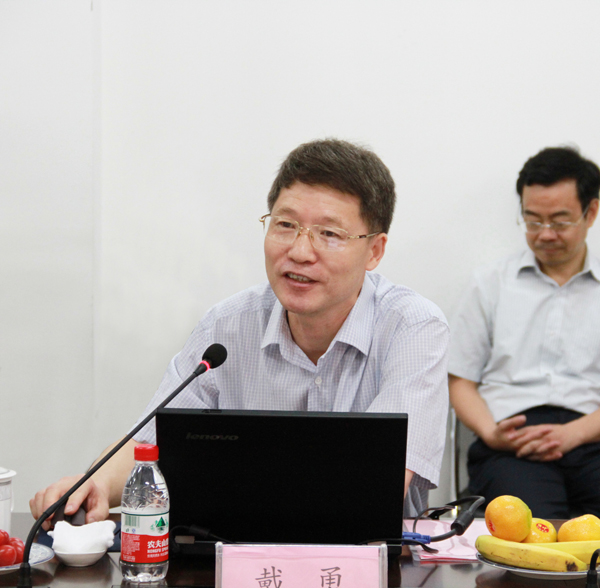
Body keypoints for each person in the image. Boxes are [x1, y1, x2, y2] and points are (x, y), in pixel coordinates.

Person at [31, 138, 449, 528]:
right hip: (229, 557)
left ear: (374, 250)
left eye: (329, 234)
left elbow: (378, 485)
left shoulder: (412, 328)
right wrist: (96, 483)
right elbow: (149, 443)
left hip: (368, 562)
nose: (300, 251)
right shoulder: (227, 326)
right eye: (285, 225)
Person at [449, 146, 600, 519]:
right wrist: (491, 433)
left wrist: (575, 433)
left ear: (591, 212)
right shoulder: (490, 284)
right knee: (529, 532)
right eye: (533, 221)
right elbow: (460, 380)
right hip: (511, 443)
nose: (545, 234)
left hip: (592, 434)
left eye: (560, 222)